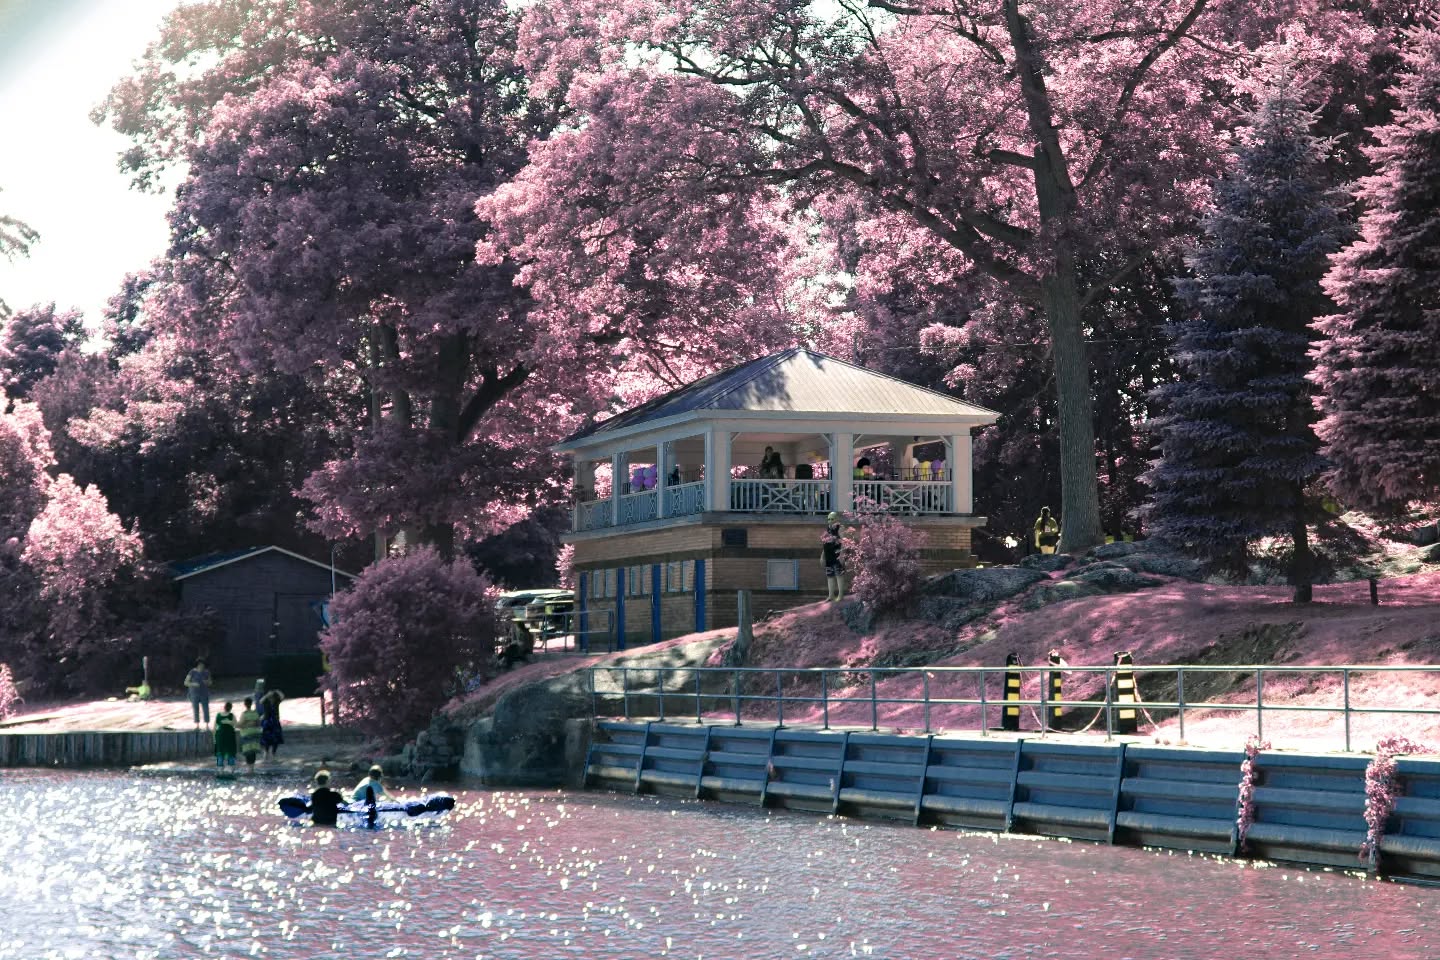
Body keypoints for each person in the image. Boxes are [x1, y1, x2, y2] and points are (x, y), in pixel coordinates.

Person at [822, 512, 845, 602]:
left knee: (839, 575)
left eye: (832, 519)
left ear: (836, 519)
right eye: (829, 519)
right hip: (829, 556)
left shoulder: (840, 528)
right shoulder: (828, 529)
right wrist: (822, 556)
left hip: (837, 555)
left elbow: (844, 542)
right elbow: (825, 544)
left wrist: (842, 554)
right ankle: (831, 595)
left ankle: (840, 595)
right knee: (830, 576)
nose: (830, 521)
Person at [259, 689, 285, 761]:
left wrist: (277, 691)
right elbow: (260, 701)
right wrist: (267, 695)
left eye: (272, 696)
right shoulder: (266, 702)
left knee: (276, 738)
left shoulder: (276, 701)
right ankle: (266, 752)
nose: (271, 697)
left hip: (275, 721)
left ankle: (273, 753)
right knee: (266, 738)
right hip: (267, 721)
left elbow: (282, 697)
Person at [237, 696, 262, 773]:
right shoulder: (255, 713)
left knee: (248, 752)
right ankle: (252, 768)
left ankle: (249, 770)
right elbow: (259, 723)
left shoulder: (244, 714)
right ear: (251, 704)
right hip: (255, 734)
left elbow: (240, 725)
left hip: (246, 734)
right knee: (253, 751)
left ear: (245, 704)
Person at [184, 659, 211, 728]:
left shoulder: (206, 672)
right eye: (200, 665)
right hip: (194, 693)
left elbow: (210, 682)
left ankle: (207, 724)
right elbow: (186, 682)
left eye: (203, 665)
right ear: (197, 665)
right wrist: (193, 684)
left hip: (204, 693)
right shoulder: (192, 672)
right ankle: (197, 725)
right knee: (196, 709)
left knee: (206, 708)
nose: (202, 666)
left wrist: (206, 682)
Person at [213, 702, 238, 773]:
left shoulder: (218, 715)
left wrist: (214, 738)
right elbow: (236, 725)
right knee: (231, 752)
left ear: (224, 707)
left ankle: (220, 771)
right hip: (230, 737)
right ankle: (231, 770)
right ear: (231, 708)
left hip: (220, 736)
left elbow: (214, 728)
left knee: (220, 753)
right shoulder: (231, 715)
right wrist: (229, 722)